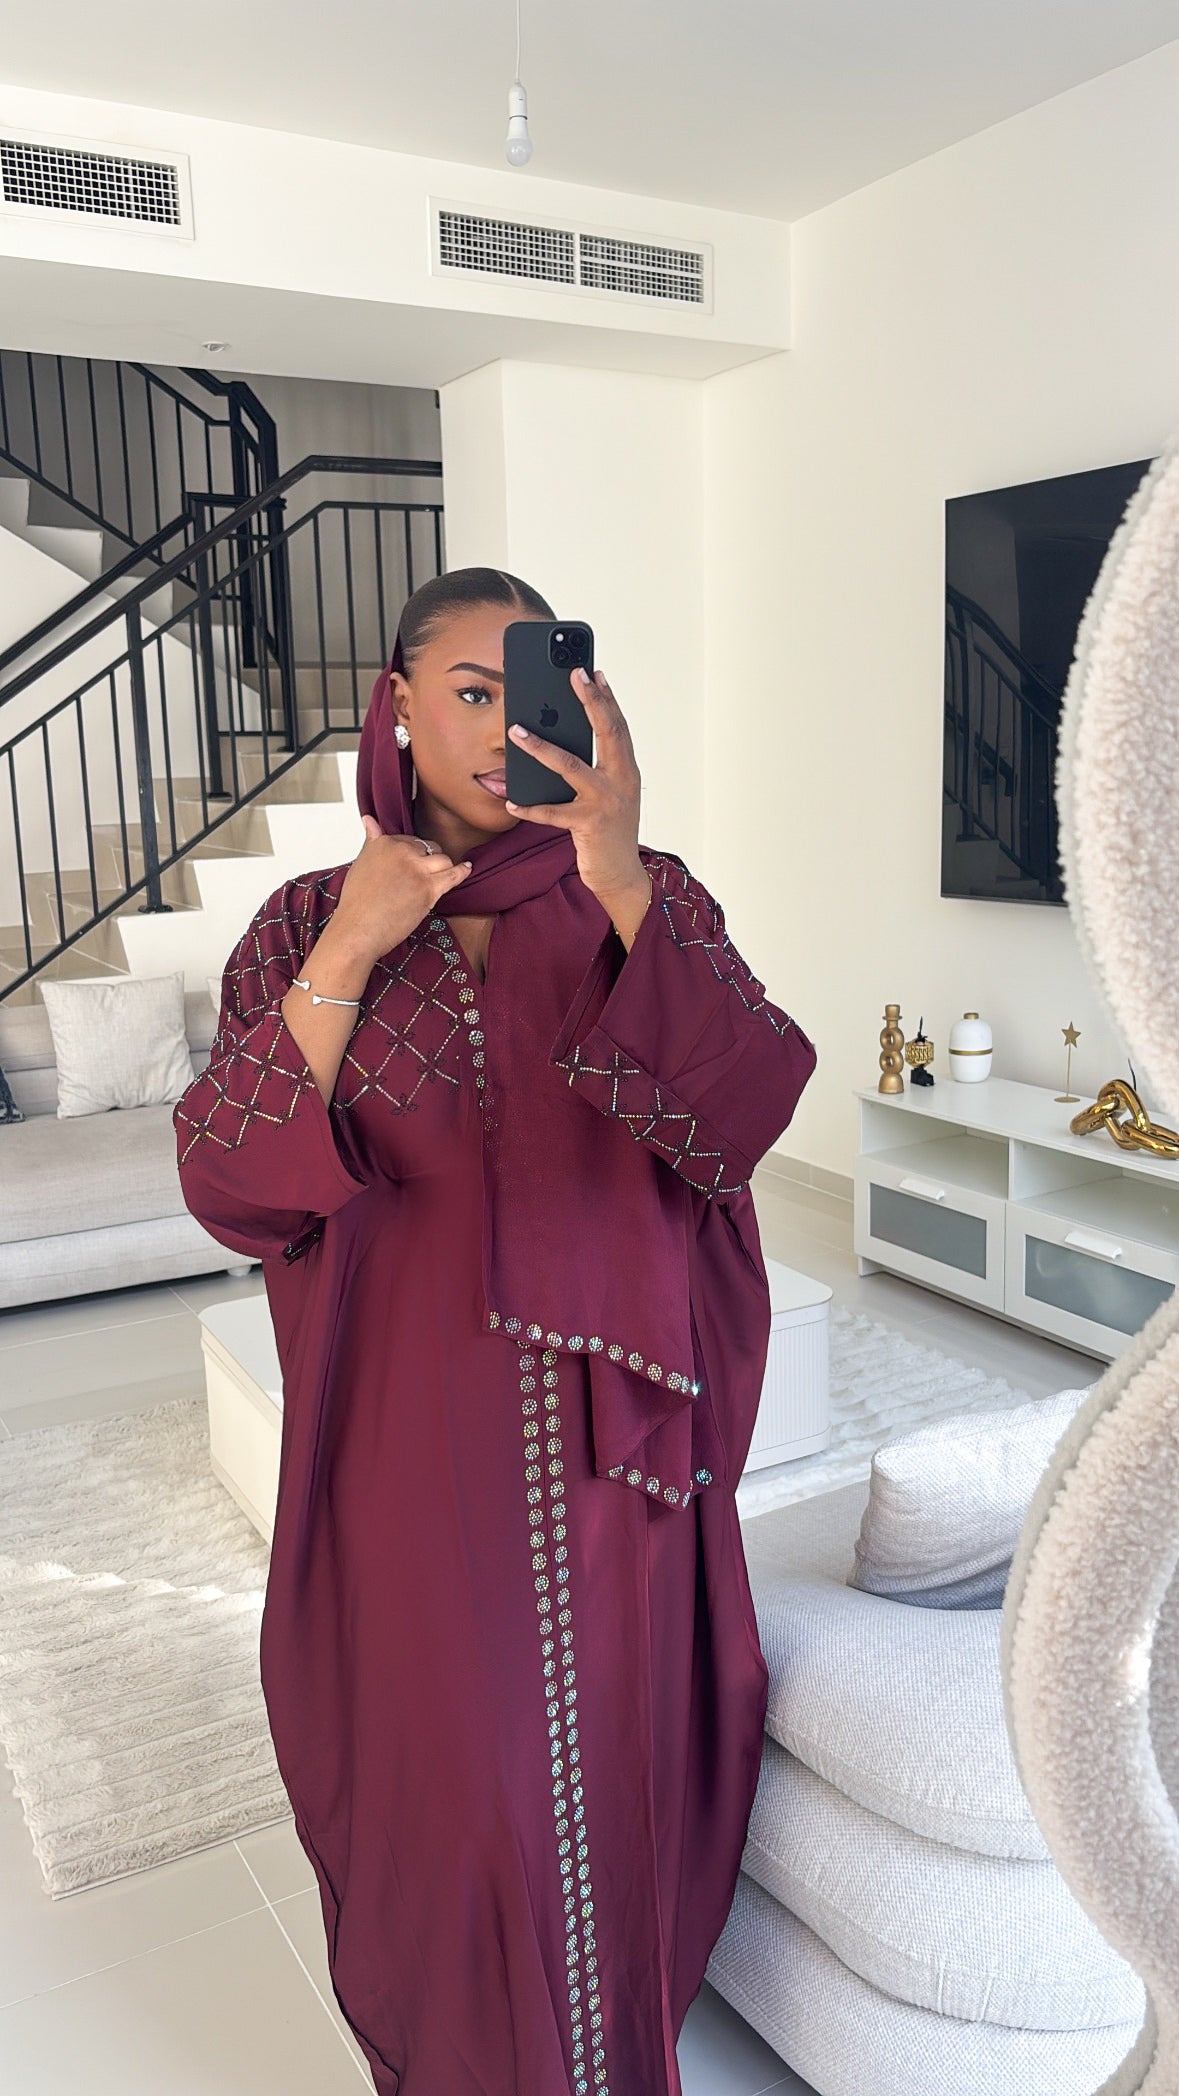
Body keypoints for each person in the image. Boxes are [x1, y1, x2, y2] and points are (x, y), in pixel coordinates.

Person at [173, 565, 818, 2096]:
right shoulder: (301, 922)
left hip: (617, 1456)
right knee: (453, 1784)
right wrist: (355, 944)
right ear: (395, 703)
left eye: (543, 694)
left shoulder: (642, 898)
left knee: (613, 1766)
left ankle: (608, 2055)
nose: (506, 728)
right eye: (472, 691)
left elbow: (748, 1107)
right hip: (406, 1445)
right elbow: (228, 1177)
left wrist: (620, 873)